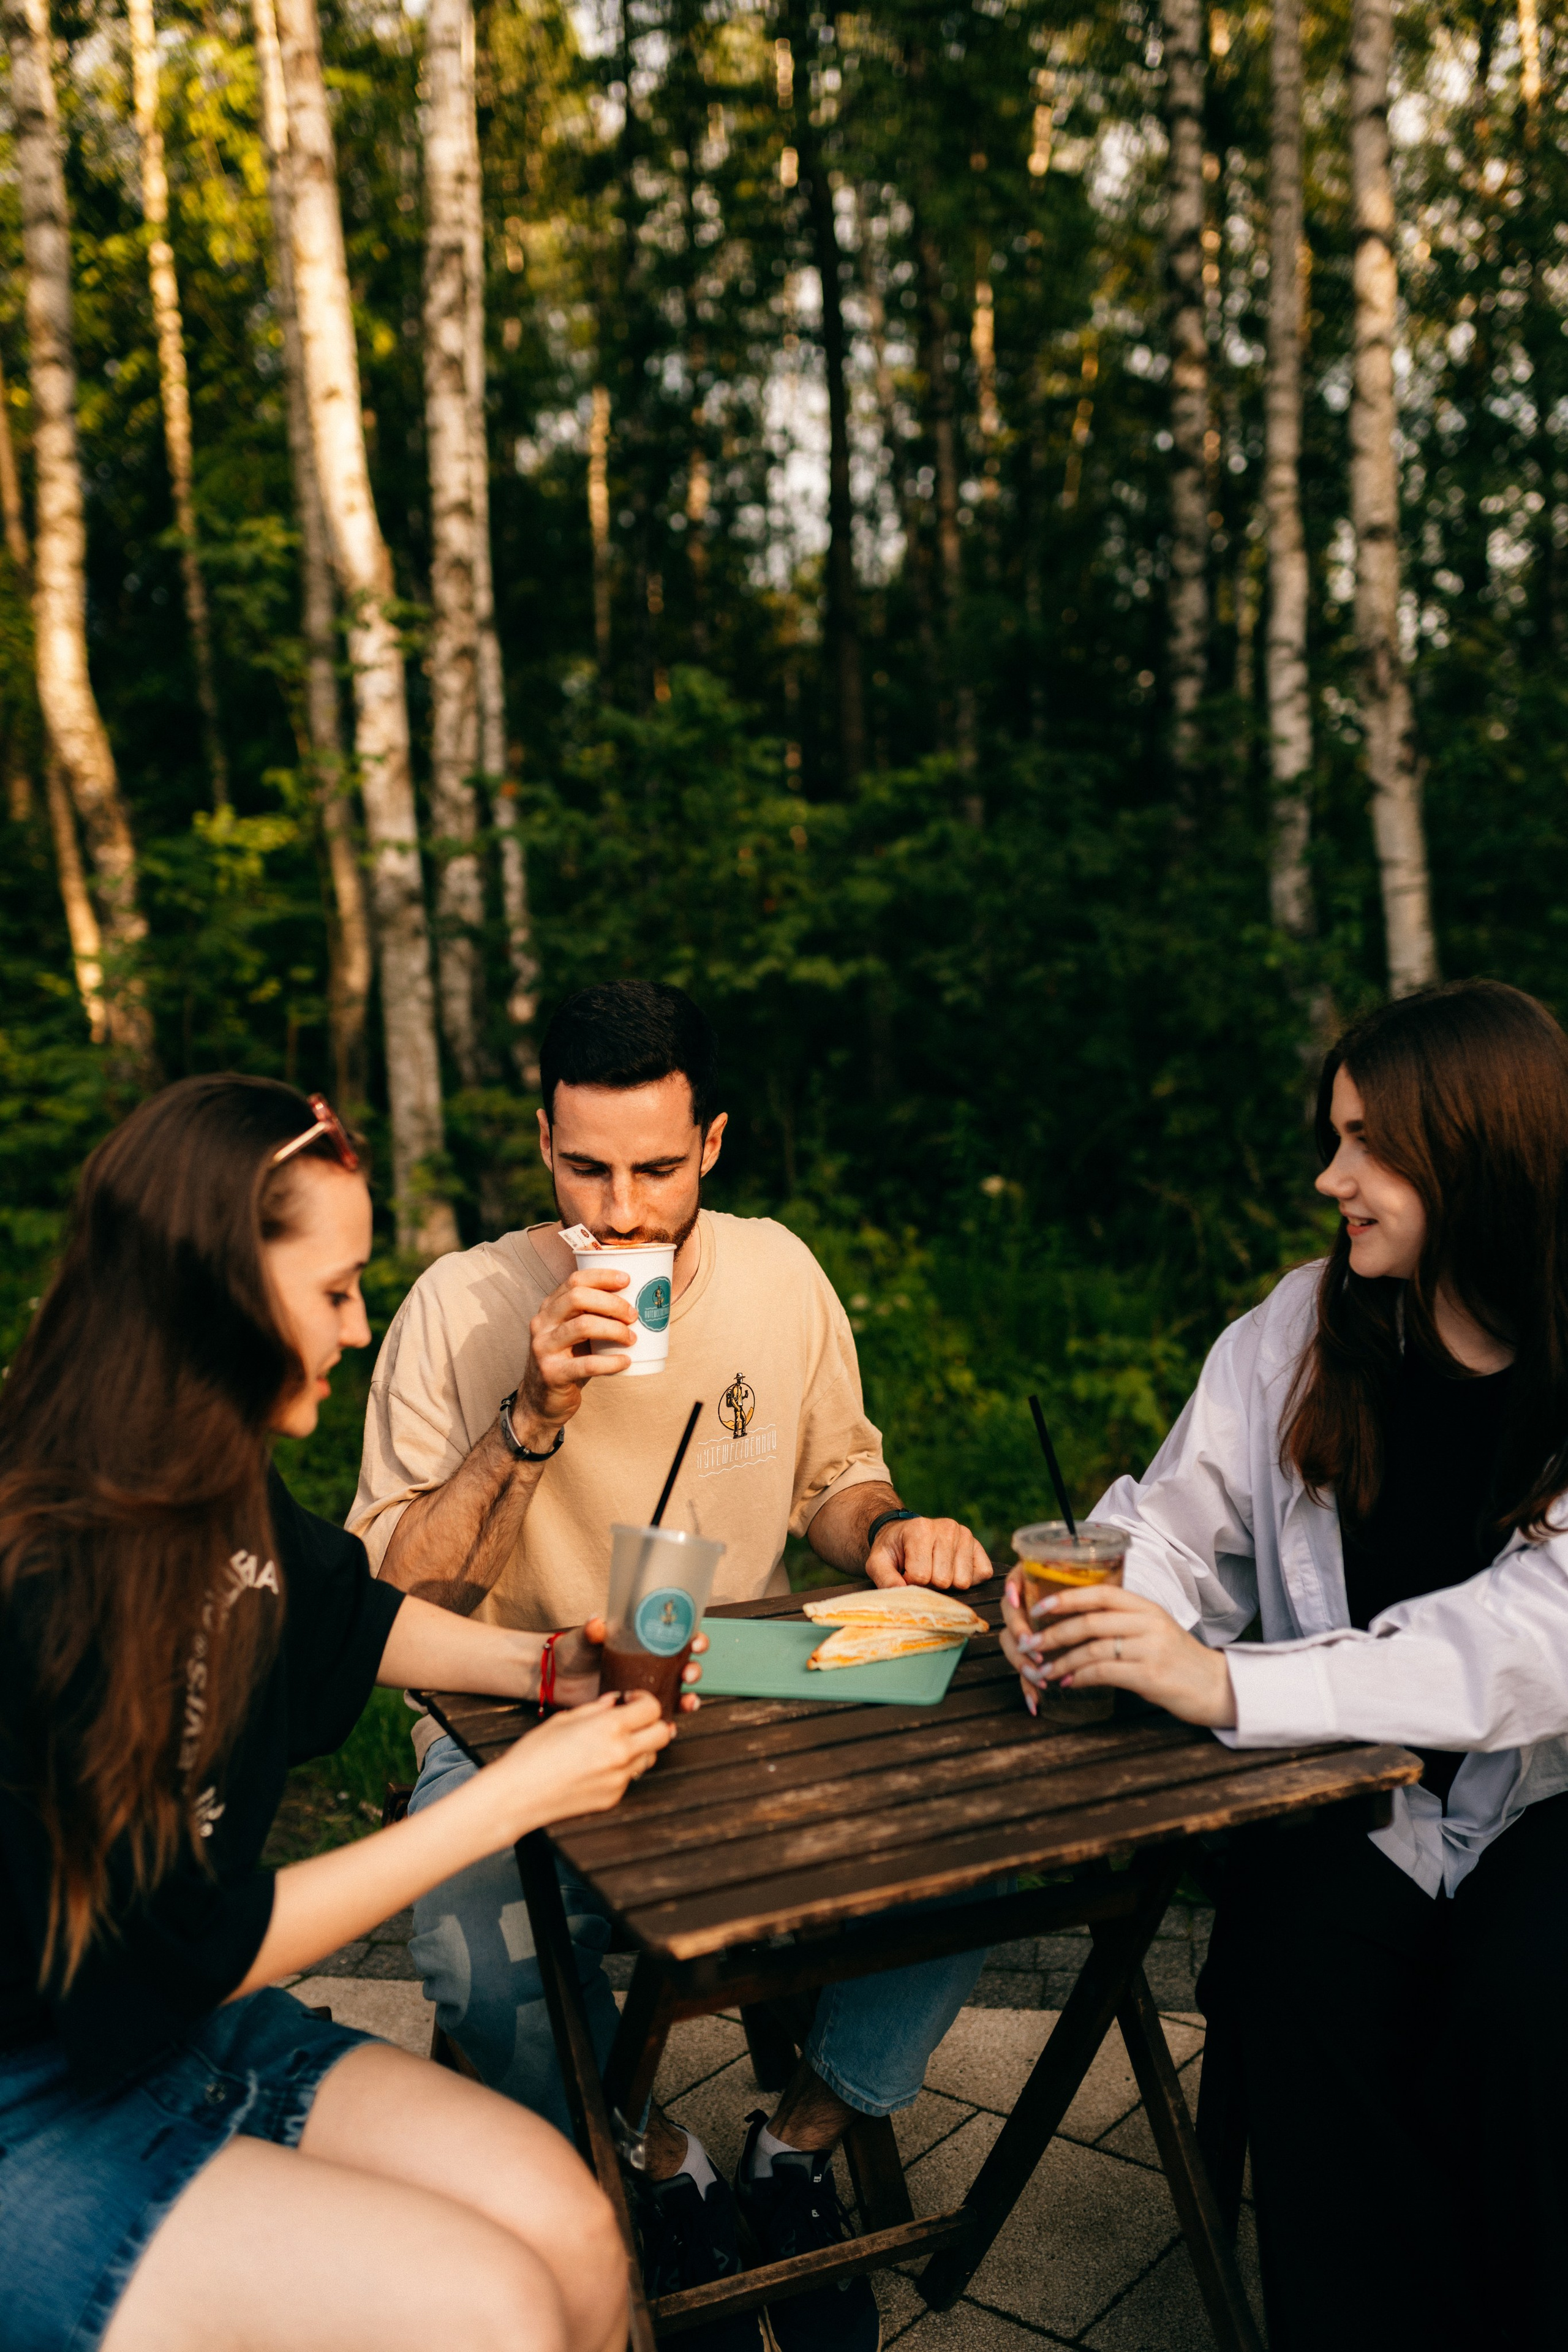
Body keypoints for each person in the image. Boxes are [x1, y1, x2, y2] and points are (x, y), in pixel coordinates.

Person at [352, 979, 995, 2352]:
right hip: (515, 1711)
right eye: (586, 1167)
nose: (622, 1208)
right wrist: (528, 1419)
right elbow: (391, 1603)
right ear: (541, 1141)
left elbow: (837, 1475)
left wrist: (888, 1532)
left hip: (753, 1692)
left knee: (994, 1814)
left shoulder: (777, 1272)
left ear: (713, 1141)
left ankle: (804, 2140)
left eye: (655, 1167)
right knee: (470, 1948)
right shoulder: (458, 1307)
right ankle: (651, 2166)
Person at [1, 1075, 677, 2352]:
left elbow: (339, 1617)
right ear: (214, 1290)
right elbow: (193, 1944)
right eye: (333, 1291)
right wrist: (515, 1793)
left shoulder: (207, 1468)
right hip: (31, 2094)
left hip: (168, 2030)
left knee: (576, 2225)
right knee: (492, 2310)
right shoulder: (52, 1559)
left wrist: (548, 1672)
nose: (358, 1326)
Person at [1000, 979, 1568, 2352]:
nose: (1332, 1177)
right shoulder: (1300, 1328)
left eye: (1366, 1143)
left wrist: (1226, 1685)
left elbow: (1524, 1643)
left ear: (1474, 1151)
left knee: (1524, 2001)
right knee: (1297, 1958)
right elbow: (1166, 1523)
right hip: (1353, 1801)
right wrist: (1097, 1609)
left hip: (1544, 1799)